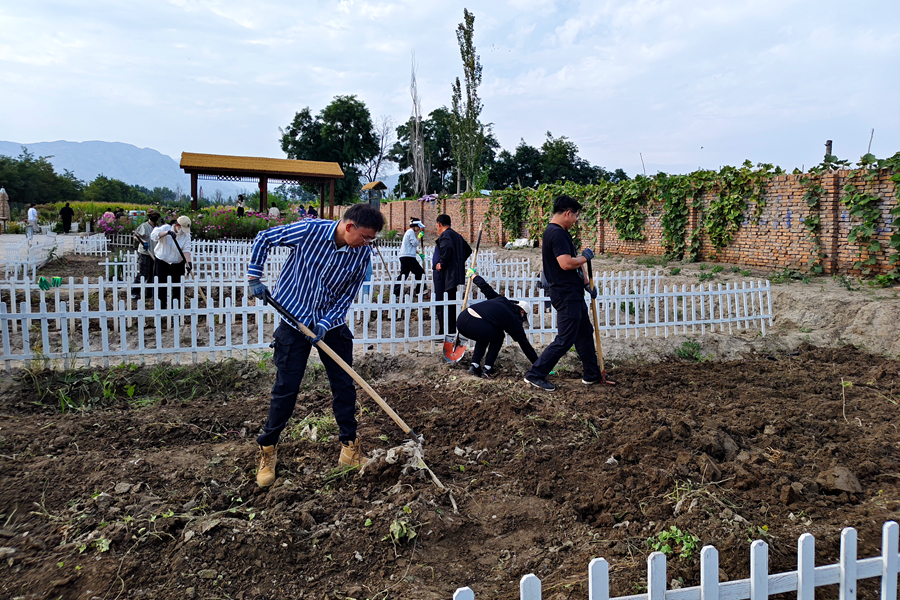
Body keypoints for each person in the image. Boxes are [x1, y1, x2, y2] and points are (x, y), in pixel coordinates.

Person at [246, 203, 385, 487]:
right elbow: (264, 238)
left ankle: (349, 448)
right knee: (286, 388)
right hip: (293, 318)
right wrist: (254, 276)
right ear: (350, 227)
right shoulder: (309, 230)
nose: (368, 244)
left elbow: (346, 296)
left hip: (329, 324)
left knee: (344, 385)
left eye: (372, 239)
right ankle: (268, 449)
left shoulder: (361, 254)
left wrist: (324, 324)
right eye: (366, 237)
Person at [524, 195, 601, 392]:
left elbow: (573, 260)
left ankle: (592, 374)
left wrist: (586, 282)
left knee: (584, 333)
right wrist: (585, 258)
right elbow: (566, 263)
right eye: (575, 216)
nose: (576, 220)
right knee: (565, 339)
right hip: (565, 294)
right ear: (568, 213)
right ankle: (535, 374)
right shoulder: (556, 234)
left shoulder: (562, 233)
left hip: (573, 292)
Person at [457, 273, 539, 378]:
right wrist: (539, 364)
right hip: (476, 325)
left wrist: (474, 277)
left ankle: (474, 365)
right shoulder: (514, 318)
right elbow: (525, 345)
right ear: (522, 312)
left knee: (485, 334)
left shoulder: (500, 299)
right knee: (499, 336)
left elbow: (486, 288)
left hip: (462, 320)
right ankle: (487, 369)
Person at [433, 214, 472, 335]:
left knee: (441, 303)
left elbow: (447, 249)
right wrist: (457, 262)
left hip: (444, 275)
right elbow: (468, 250)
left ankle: (444, 331)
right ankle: (450, 329)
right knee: (450, 302)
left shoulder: (445, 235)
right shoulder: (456, 235)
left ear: (439, 224)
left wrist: (442, 264)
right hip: (453, 275)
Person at [151, 216, 192, 311]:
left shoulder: (186, 235)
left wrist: (189, 262)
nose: (183, 232)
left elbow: (186, 249)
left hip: (178, 262)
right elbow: (154, 235)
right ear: (177, 225)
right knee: (161, 284)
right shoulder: (165, 228)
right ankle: (161, 307)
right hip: (163, 260)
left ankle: (176, 307)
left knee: (178, 285)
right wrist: (167, 233)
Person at [393, 218, 426, 299]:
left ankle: (396, 293)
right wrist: (419, 236)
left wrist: (419, 253)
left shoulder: (408, 232)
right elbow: (415, 243)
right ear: (415, 226)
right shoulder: (411, 232)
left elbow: (410, 246)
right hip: (408, 257)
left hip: (404, 256)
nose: (419, 229)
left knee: (403, 275)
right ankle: (419, 290)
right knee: (420, 272)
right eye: (418, 227)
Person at [131, 210, 160, 300]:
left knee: (153, 273)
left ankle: (149, 292)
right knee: (144, 273)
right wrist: (143, 242)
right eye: (153, 215)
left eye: (156, 216)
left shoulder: (158, 227)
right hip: (145, 253)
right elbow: (136, 236)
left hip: (155, 253)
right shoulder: (144, 226)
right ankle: (135, 291)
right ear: (149, 216)